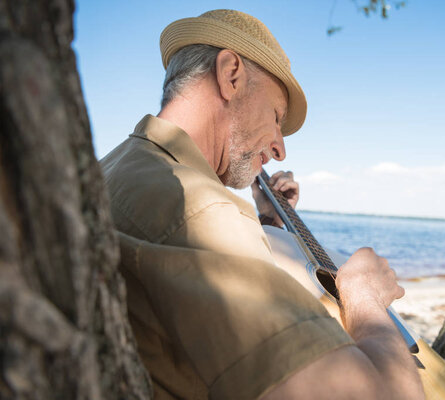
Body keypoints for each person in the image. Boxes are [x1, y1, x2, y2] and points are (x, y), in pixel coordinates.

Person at [101, 9, 424, 400]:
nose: (279, 148)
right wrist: (364, 298)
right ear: (231, 74)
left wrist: (266, 224)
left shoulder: (114, 168)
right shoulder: (201, 211)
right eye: (276, 116)